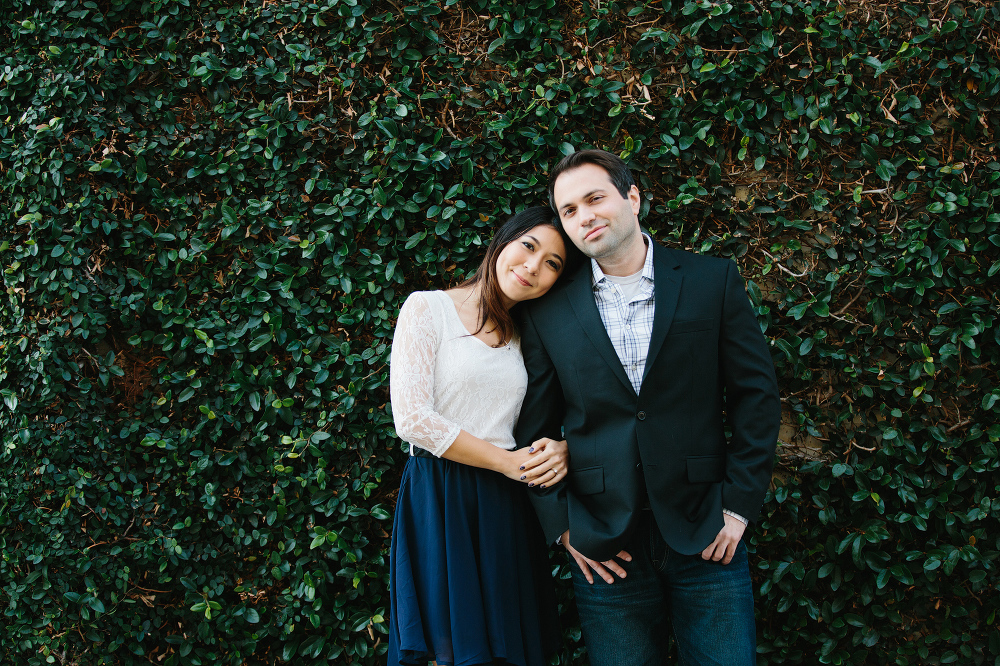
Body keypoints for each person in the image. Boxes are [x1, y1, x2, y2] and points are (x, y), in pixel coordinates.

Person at [515, 150, 781, 665]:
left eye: (595, 198)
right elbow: (533, 426)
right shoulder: (547, 308)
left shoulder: (712, 280)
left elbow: (757, 396)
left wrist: (739, 506)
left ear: (632, 198)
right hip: (603, 545)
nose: (584, 216)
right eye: (568, 210)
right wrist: (565, 527)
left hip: (708, 531)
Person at [387, 206, 583, 666]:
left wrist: (563, 448)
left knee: (504, 648)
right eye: (529, 247)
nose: (533, 267)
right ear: (503, 241)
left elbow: (553, 414)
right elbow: (413, 418)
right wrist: (509, 463)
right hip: (440, 494)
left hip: (505, 504)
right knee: (448, 647)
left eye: (553, 263)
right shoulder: (427, 307)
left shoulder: (529, 333)